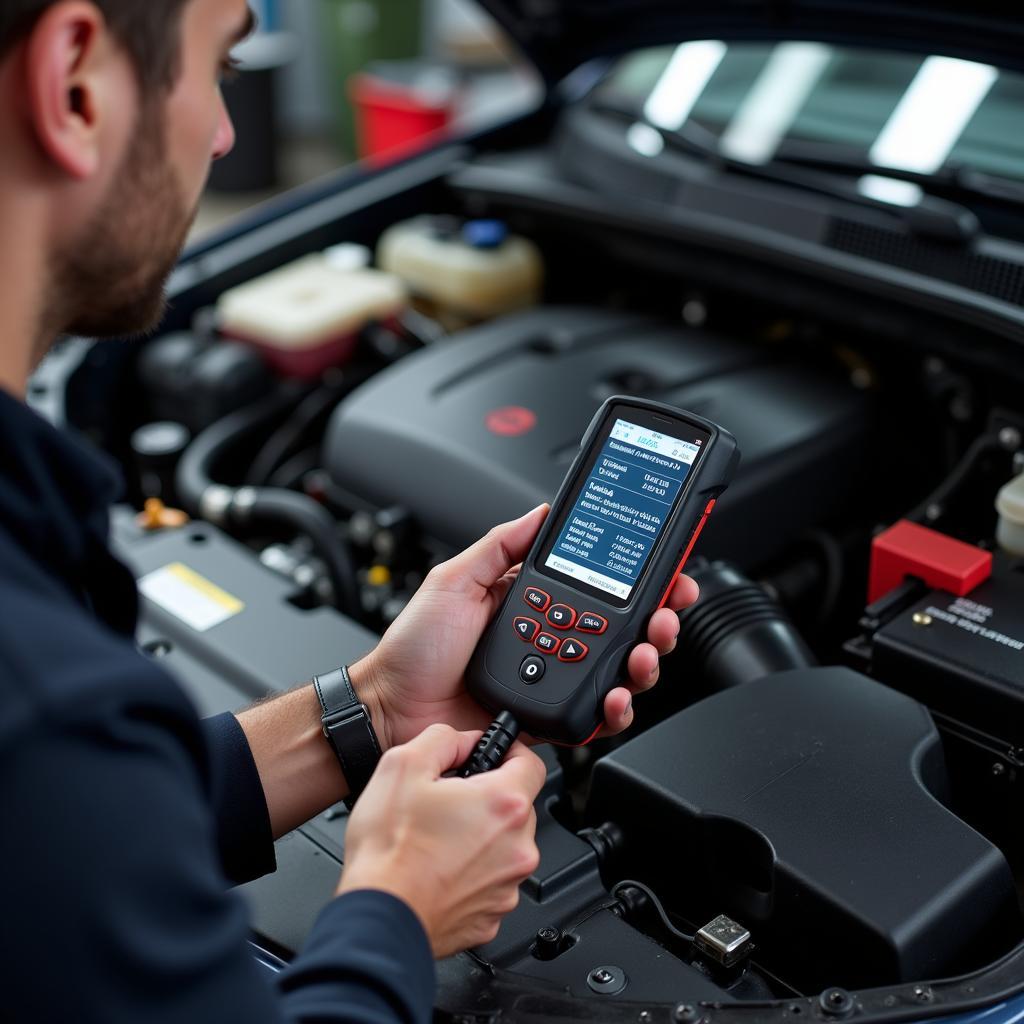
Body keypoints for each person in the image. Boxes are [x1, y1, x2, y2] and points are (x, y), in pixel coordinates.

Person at [0, 1, 699, 1021]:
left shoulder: (49, 723)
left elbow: (52, 827)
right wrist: (399, 912)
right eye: (219, 66)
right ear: (74, 85)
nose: (227, 132)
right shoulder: (39, 690)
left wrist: (371, 708)